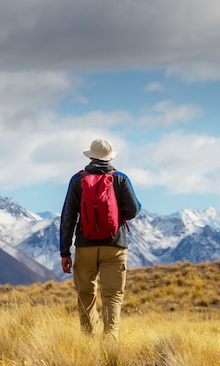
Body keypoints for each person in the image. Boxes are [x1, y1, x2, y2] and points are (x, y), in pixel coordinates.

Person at [60, 138, 141, 339]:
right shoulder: (120, 178)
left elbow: (68, 217)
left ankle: (89, 339)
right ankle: (110, 340)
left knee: (86, 294)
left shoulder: (77, 180)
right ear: (110, 157)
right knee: (112, 295)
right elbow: (133, 210)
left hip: (85, 246)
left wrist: (65, 251)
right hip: (114, 246)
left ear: (90, 156)